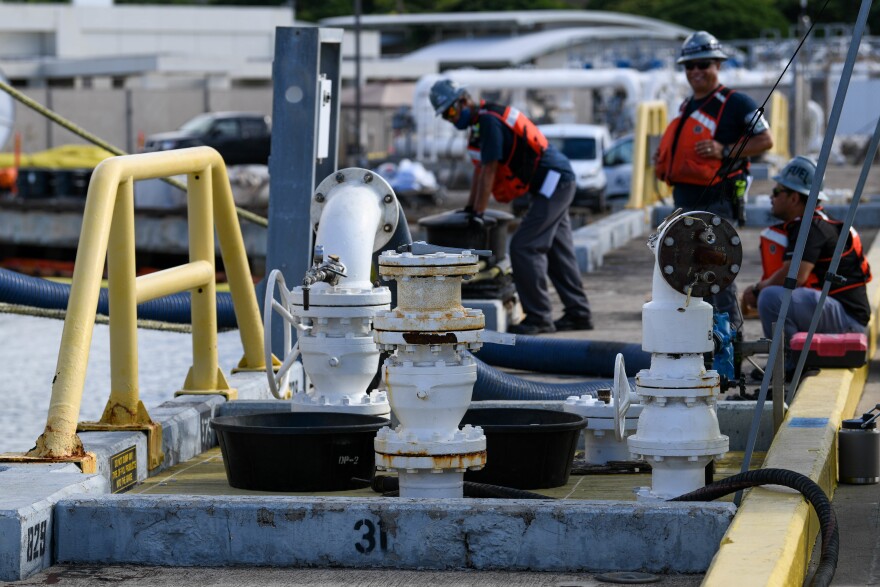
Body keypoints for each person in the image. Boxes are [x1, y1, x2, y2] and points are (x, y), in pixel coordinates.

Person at [429, 79, 592, 335]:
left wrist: (478, 214)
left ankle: (539, 317)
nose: (451, 119)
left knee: (524, 247)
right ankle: (579, 314)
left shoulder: (489, 122)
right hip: (550, 185)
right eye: (446, 117)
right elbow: (479, 171)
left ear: (464, 101)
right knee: (559, 251)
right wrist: (471, 209)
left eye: (451, 111)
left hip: (556, 181)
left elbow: (490, 171)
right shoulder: (479, 128)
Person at [655, 30, 774, 330]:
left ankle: (729, 342)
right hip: (685, 203)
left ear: (717, 65)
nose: (696, 71)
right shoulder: (686, 106)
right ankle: (698, 341)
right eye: (689, 66)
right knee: (685, 273)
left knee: (716, 274)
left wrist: (725, 150)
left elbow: (766, 140)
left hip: (717, 204)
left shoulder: (737, 103)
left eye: (703, 64)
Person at [741, 156, 871, 351]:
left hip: (847, 321)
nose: (771, 197)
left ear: (794, 198)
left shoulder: (810, 227)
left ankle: (787, 362)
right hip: (843, 316)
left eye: (777, 191)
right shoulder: (815, 222)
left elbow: (796, 275)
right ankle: (795, 356)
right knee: (775, 296)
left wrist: (757, 290)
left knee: (769, 297)